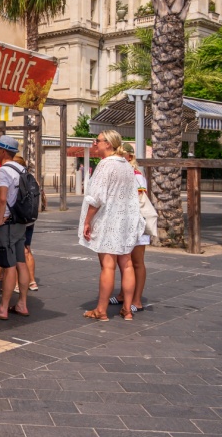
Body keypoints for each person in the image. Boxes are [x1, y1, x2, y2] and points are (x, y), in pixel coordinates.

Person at [79, 130, 144, 322]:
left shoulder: (106, 165)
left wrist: (87, 221)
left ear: (108, 143)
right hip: (125, 220)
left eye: (97, 141)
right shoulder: (125, 164)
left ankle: (101, 310)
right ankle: (127, 310)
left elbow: (96, 198)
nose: (95, 144)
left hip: (108, 221)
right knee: (127, 264)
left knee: (108, 265)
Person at [0, 136, 30, 320]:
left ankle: (2, 308)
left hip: (7, 223)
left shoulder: (3, 170)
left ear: (3, 151)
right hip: (20, 221)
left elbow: (2, 198)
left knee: (8, 266)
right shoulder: (22, 168)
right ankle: (22, 304)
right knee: (21, 263)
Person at [109, 143, 147, 313]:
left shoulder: (137, 176)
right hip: (123, 222)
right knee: (124, 262)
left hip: (136, 222)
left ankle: (137, 300)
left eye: (122, 156)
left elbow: (137, 200)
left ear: (130, 157)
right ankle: (123, 294)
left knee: (136, 262)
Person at [13, 155, 39, 292]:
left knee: (18, 251)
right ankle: (32, 281)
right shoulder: (31, 178)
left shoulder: (16, 178)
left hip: (19, 218)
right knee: (28, 249)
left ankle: (17, 283)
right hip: (31, 219)